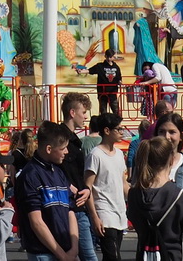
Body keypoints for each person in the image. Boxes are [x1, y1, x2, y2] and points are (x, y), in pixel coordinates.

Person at [128, 138, 183, 261]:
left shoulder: (133, 195)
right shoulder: (181, 197)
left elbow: (133, 218)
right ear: (171, 160)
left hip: (145, 255)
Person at [16, 122, 78, 261]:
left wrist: (74, 250)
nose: (67, 152)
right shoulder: (30, 175)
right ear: (49, 149)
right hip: (43, 253)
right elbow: (36, 222)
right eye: (63, 148)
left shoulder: (59, 172)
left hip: (68, 251)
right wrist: (62, 255)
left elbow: (70, 211)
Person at [63, 93, 102, 261]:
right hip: (71, 207)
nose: (86, 117)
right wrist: (67, 185)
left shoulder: (76, 141)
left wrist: (85, 189)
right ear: (73, 113)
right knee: (89, 256)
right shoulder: (61, 139)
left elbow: (77, 175)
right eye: (84, 112)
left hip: (78, 203)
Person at [86, 117, 128, 261]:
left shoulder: (120, 154)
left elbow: (124, 184)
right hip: (104, 213)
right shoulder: (95, 155)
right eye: (119, 129)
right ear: (107, 131)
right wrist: (95, 217)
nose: (122, 132)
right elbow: (88, 188)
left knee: (111, 256)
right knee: (113, 256)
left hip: (120, 212)